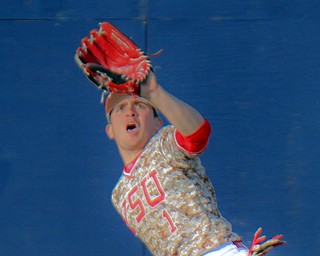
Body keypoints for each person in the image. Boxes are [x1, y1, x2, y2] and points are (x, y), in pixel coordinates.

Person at [104, 71, 250, 256]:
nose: (130, 112)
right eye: (120, 108)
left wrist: (155, 93)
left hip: (217, 250)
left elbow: (197, 134)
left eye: (140, 105)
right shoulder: (119, 195)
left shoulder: (164, 143)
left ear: (158, 123)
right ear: (110, 130)